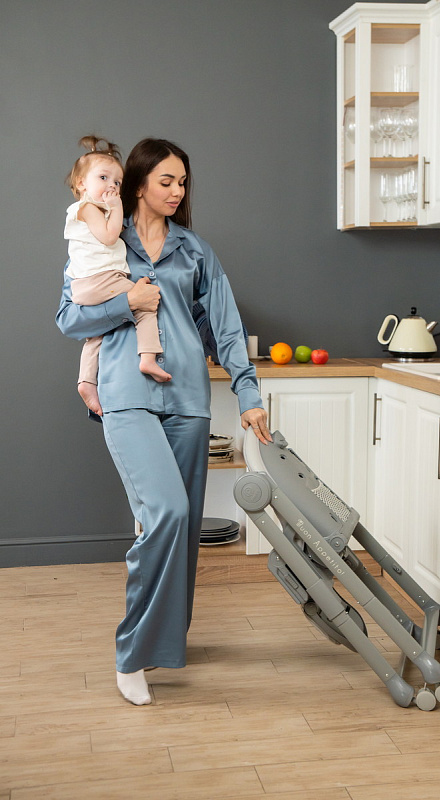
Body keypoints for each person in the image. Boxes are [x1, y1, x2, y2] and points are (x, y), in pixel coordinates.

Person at [56, 137, 271, 705]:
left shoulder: (195, 250)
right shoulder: (102, 238)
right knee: (166, 512)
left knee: (183, 528)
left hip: (189, 401)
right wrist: (126, 304)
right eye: (166, 181)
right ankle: (133, 651)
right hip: (125, 395)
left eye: (183, 183)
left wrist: (248, 394)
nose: (177, 191)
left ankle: (166, 645)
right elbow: (69, 318)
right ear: (138, 183)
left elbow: (225, 328)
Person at [65, 136, 171, 417]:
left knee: (97, 335)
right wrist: (117, 206)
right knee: (145, 304)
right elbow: (110, 236)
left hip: (87, 285)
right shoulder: (89, 208)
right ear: (81, 184)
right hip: (101, 280)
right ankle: (148, 357)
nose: (111, 186)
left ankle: (86, 382)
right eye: (103, 178)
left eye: (117, 182)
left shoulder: (92, 211)